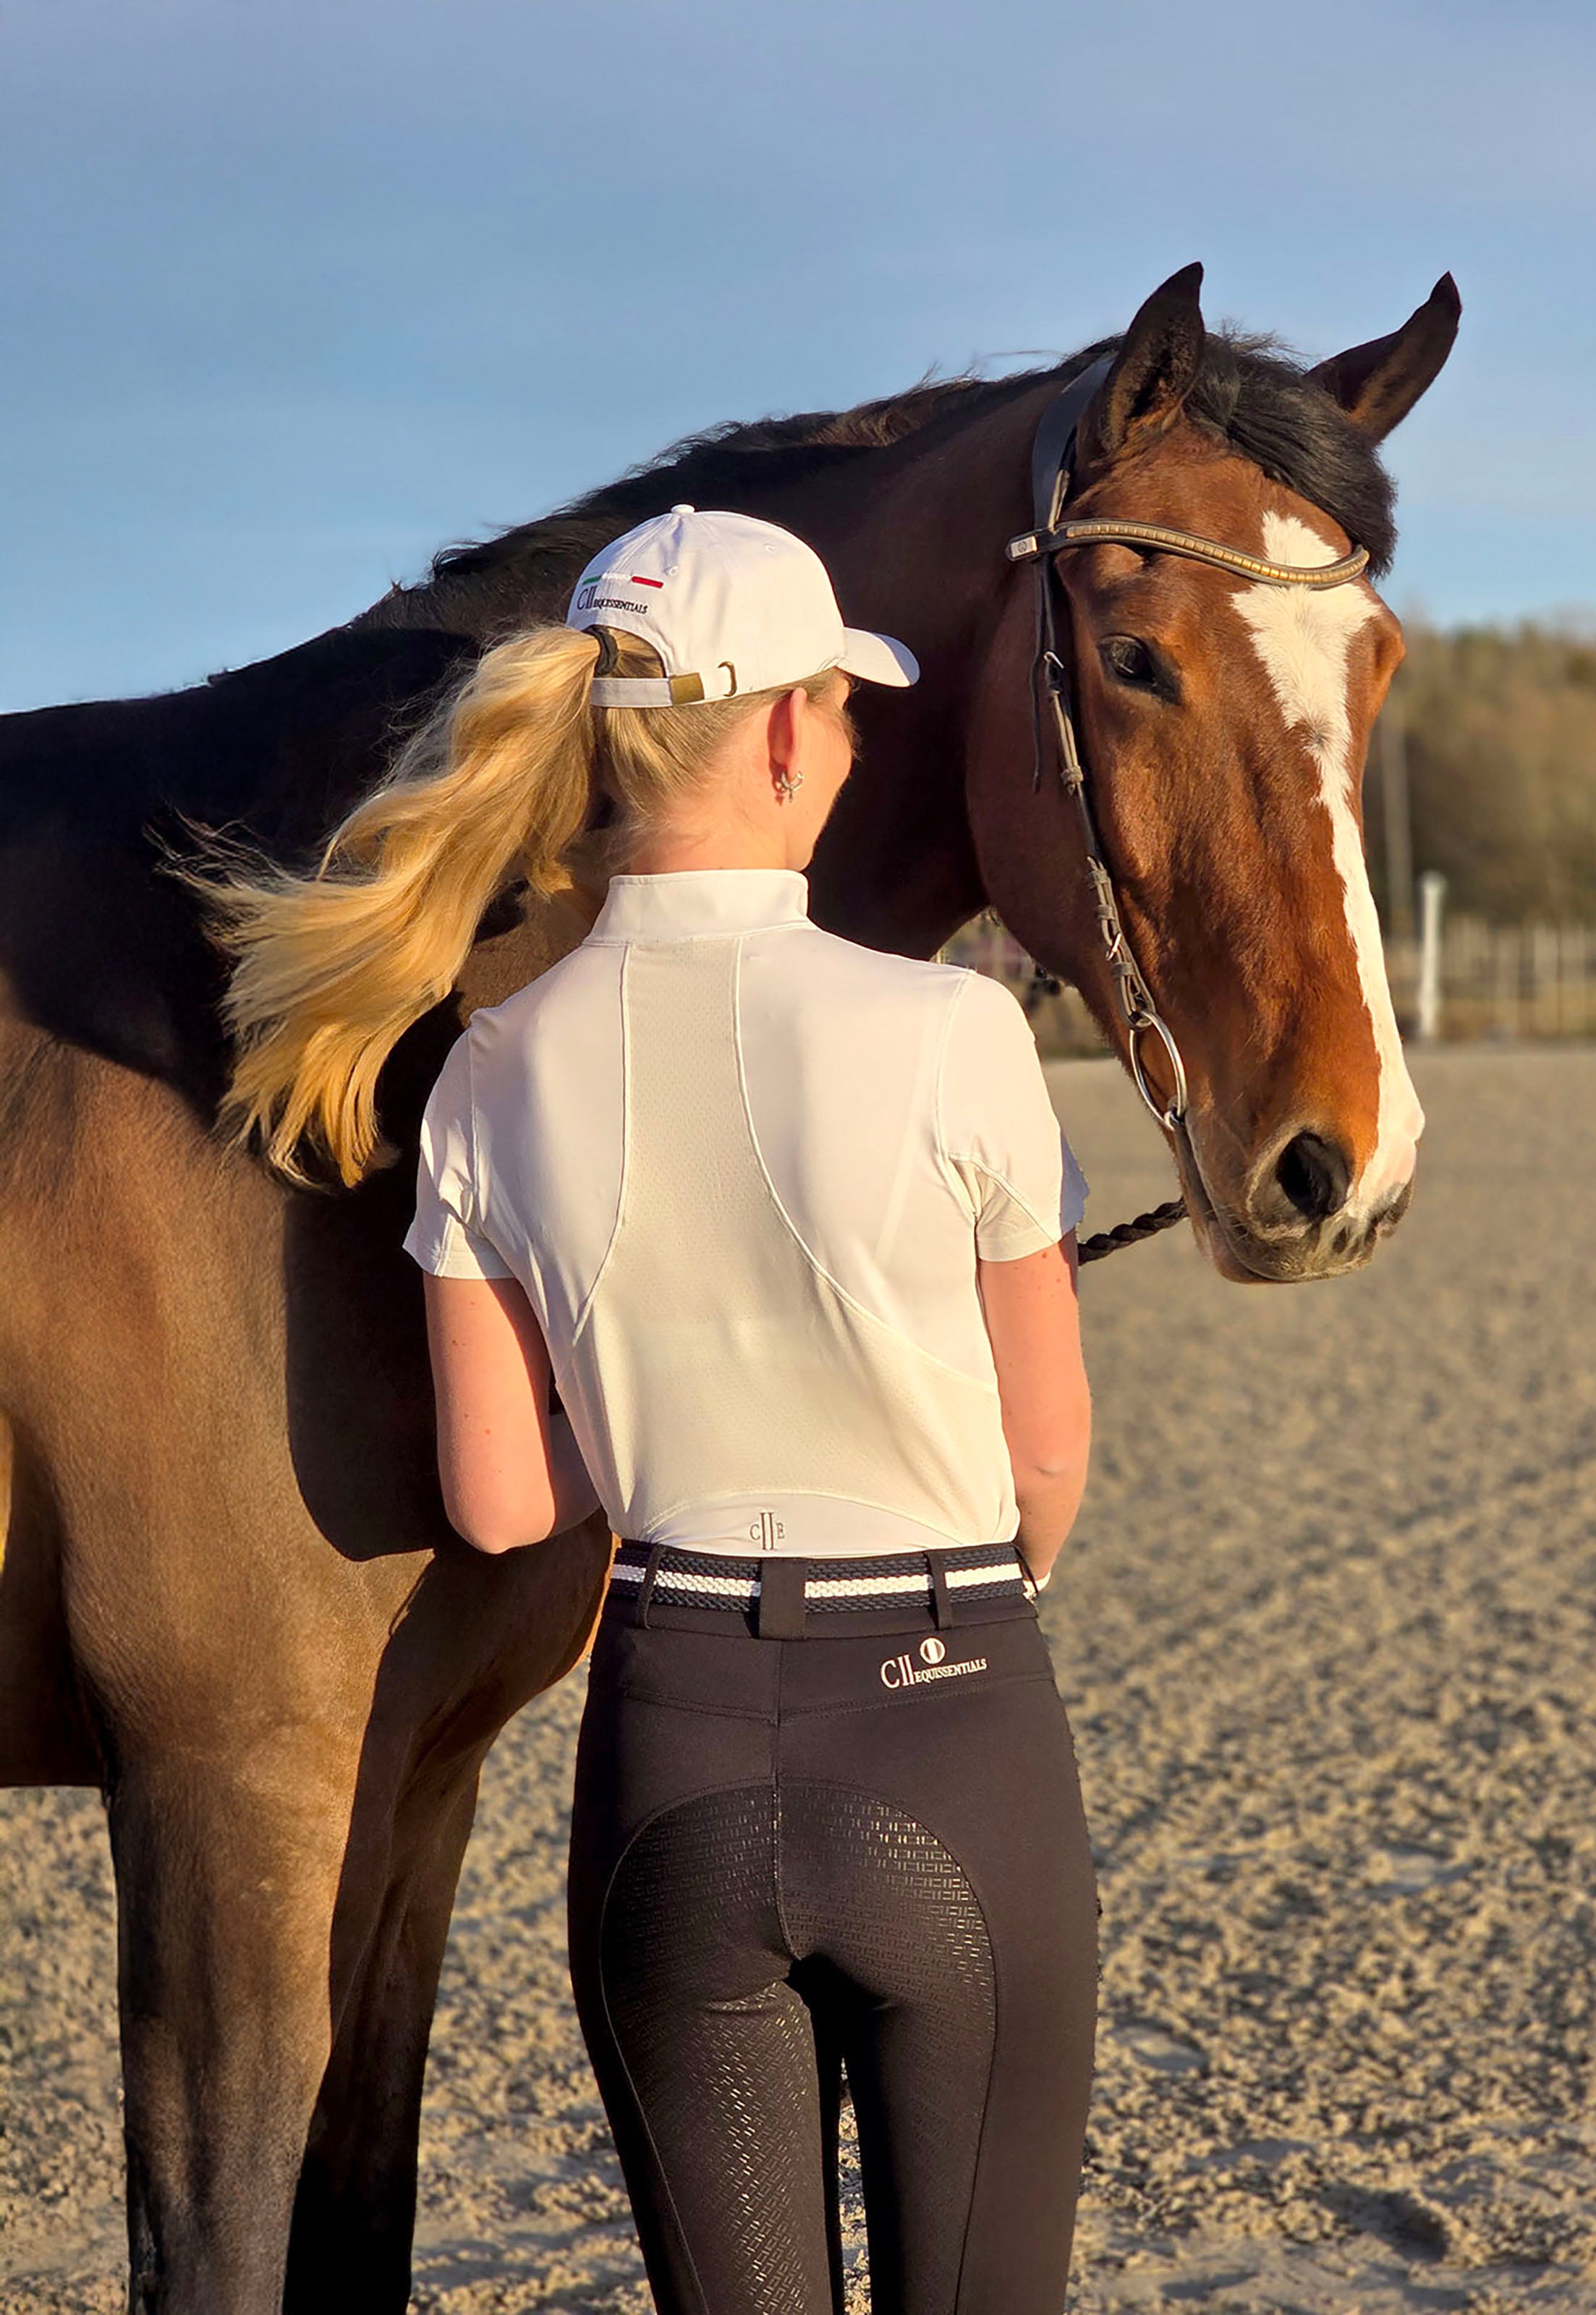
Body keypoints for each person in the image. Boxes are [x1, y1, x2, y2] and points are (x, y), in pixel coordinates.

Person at [200, 507, 1100, 2315]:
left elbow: (505, 1506)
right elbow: (1046, 1461)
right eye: (843, 710)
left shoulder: (483, 1081)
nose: (850, 744)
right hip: (952, 1732)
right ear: (777, 732)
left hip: (671, 1766)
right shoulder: (954, 1032)